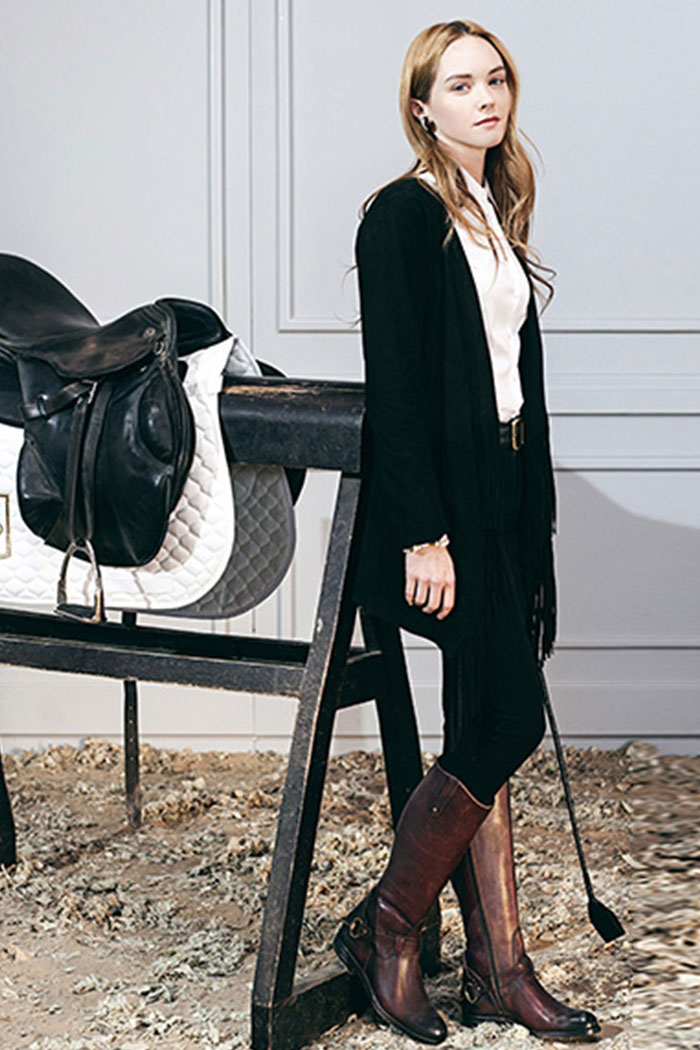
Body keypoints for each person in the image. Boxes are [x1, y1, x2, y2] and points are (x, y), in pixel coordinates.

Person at [332, 19, 603, 1045]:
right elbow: (397, 386)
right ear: (421, 108)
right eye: (459, 85)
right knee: (506, 723)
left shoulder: (490, 205)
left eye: (495, 80)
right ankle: (388, 928)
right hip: (442, 505)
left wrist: (525, 509)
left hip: (504, 487)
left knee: (484, 717)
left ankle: (499, 968)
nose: (485, 98)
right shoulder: (401, 216)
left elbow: (509, 376)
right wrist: (423, 534)